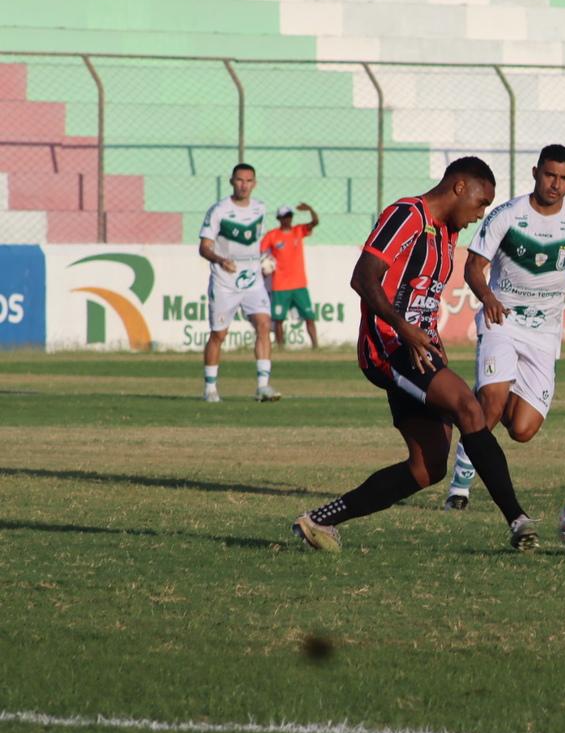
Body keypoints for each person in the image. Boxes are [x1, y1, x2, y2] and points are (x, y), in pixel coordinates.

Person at [292, 156, 539, 552]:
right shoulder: (407, 215)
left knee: (428, 467)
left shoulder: (447, 233)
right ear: (459, 187)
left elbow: (422, 298)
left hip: (420, 349)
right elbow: (363, 277)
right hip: (388, 347)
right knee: (469, 408)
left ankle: (319, 520)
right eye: (480, 202)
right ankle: (517, 519)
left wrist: (429, 339)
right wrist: (403, 328)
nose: (480, 214)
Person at [443, 144, 565, 511]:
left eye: (564, 178)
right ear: (536, 172)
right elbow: (473, 266)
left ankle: (485, 397)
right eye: (550, 175)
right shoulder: (507, 215)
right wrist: (488, 297)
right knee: (492, 402)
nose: (556, 184)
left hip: (544, 333)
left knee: (522, 430)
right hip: (501, 322)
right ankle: (460, 485)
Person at [198, 163, 281, 403]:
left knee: (263, 324)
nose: (244, 185)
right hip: (225, 281)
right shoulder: (219, 211)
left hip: (253, 280)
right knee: (219, 334)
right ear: (232, 181)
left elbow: (254, 242)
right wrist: (220, 260)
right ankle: (210, 388)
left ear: (254, 183)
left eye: (248, 181)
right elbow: (204, 247)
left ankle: (263, 386)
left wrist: (263, 260)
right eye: (240, 180)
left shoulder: (260, 208)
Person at [260, 202, 320, 349]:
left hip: (299, 285)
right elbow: (261, 252)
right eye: (284, 216)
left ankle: (316, 347)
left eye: (289, 216)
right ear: (279, 218)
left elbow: (315, 222)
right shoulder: (272, 235)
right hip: (280, 286)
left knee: (309, 317)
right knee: (278, 319)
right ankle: (281, 349)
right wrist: (265, 266)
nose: (287, 219)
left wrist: (310, 209)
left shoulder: (298, 231)